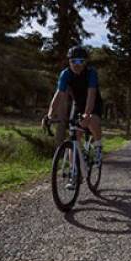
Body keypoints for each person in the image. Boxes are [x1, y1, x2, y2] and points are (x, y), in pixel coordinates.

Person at [46, 46, 104, 187]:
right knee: (74, 139)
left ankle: (98, 146)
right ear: (69, 62)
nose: (77, 65)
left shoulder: (91, 73)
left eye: (80, 61)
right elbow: (59, 95)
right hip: (78, 105)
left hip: (93, 103)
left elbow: (91, 94)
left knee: (91, 121)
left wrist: (88, 114)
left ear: (85, 63)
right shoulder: (65, 74)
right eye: (73, 61)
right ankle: (74, 174)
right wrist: (49, 114)